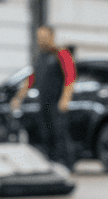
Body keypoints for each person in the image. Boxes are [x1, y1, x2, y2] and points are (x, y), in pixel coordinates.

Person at [11, 26, 76, 169]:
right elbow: (31, 79)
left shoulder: (62, 54)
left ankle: (67, 165)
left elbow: (70, 77)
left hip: (57, 103)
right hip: (43, 103)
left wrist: (65, 99)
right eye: (39, 37)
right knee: (46, 134)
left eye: (44, 36)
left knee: (60, 134)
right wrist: (18, 98)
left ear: (52, 36)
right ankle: (52, 164)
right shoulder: (40, 57)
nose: (41, 40)